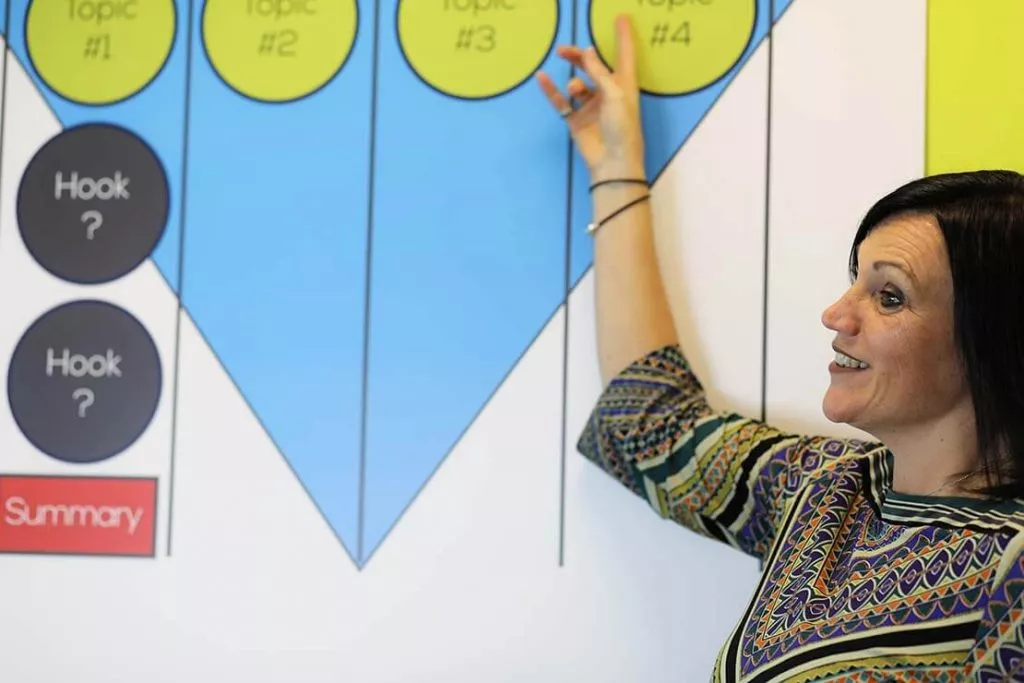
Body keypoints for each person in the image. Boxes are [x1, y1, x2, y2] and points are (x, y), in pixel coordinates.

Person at [537, 13, 1024, 682]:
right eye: (853, 280)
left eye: (889, 296)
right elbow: (648, 420)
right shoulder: (823, 491)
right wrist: (616, 167)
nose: (835, 314)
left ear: (991, 337)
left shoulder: (1011, 563)